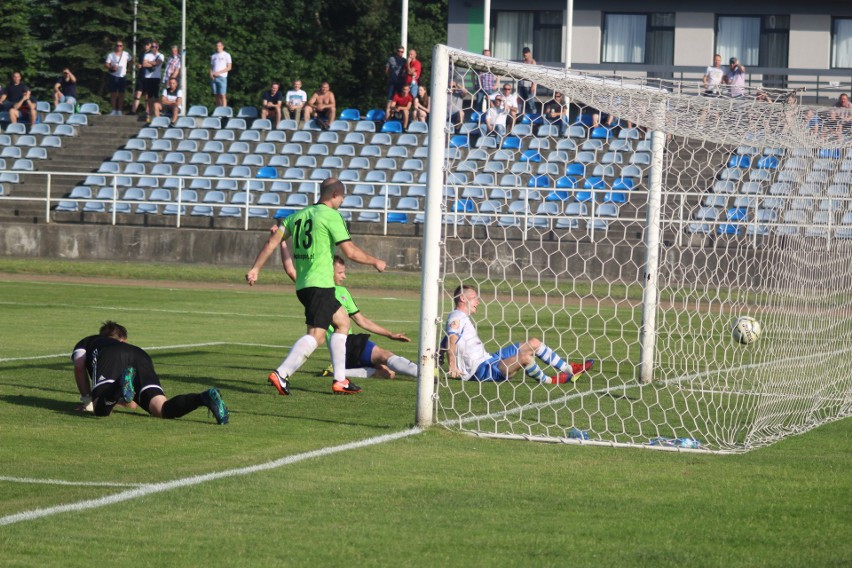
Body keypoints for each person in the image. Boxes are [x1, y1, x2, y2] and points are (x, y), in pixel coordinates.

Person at [245, 177, 387, 395]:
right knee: (317, 335)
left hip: (304, 285)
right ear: (334, 195)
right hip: (320, 284)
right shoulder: (331, 216)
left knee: (342, 322)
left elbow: (271, 242)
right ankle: (281, 373)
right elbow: (350, 251)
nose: (341, 202)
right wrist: (375, 261)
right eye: (342, 197)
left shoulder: (296, 216)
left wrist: (256, 268)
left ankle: (340, 380)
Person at [272, 240, 418, 381]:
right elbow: (291, 270)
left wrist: (389, 334)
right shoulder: (317, 292)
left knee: (387, 373)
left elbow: (361, 320)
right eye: (340, 272)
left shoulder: (340, 291)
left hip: (340, 351)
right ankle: (426, 374)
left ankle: (338, 372)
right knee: (385, 355)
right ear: (329, 271)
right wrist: (282, 241)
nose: (344, 276)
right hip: (348, 343)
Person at [72, 321, 229, 424]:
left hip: (111, 355)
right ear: (122, 339)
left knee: (100, 410)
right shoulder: (130, 347)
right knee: (162, 409)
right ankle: (203, 398)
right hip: (141, 355)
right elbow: (132, 404)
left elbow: (79, 366)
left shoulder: (89, 341)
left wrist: (88, 401)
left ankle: (119, 383)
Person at [445, 285, 594, 384]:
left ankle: (570, 369)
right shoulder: (456, 316)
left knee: (534, 343)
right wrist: (452, 365)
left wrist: (440, 354)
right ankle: (550, 380)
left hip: (490, 359)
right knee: (525, 359)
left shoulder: (461, 318)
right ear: (463, 298)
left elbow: (450, 337)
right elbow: (452, 339)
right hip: (481, 370)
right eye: (474, 298)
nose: (478, 302)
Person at [104, 40, 130, 116]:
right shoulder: (111, 55)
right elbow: (106, 64)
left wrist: (129, 69)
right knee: (113, 94)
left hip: (122, 76)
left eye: (120, 46)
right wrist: (111, 67)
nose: (118, 47)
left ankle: (120, 110)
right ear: (115, 46)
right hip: (113, 75)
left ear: (122, 47)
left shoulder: (126, 54)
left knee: (121, 94)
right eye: (117, 45)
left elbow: (131, 61)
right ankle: (113, 109)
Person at [142, 42, 165, 122]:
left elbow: (158, 63)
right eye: (152, 47)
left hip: (156, 77)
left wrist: (149, 62)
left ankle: (157, 111)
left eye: (155, 46)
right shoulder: (147, 55)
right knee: (149, 96)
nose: (153, 48)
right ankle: (149, 112)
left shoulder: (161, 55)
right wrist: (152, 63)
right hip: (148, 77)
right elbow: (144, 64)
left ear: (157, 47)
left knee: (156, 96)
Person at [131, 39, 152, 115]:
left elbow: (153, 65)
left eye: (147, 44)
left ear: (150, 45)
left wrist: (144, 64)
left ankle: (147, 110)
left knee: (147, 94)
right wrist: (138, 65)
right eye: (144, 44)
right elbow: (140, 64)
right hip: (141, 75)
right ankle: (133, 110)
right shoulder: (142, 53)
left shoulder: (152, 54)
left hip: (148, 76)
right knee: (137, 93)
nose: (145, 46)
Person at [385, 46, 407, 118]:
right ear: (396, 51)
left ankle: (399, 117)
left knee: (400, 100)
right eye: (399, 51)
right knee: (390, 100)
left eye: (402, 52)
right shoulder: (391, 59)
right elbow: (387, 69)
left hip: (400, 83)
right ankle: (387, 118)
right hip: (392, 82)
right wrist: (390, 77)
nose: (400, 53)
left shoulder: (404, 60)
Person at [210, 41, 232, 107]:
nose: (218, 47)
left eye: (219, 46)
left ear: (222, 46)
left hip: (222, 77)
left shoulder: (226, 55)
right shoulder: (213, 56)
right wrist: (211, 74)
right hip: (214, 78)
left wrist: (219, 73)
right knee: (216, 94)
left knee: (222, 94)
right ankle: (218, 109)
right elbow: (211, 66)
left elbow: (229, 67)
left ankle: (224, 110)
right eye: (217, 46)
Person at [518, 47, 537, 114]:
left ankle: (534, 115)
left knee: (530, 101)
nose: (525, 55)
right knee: (521, 101)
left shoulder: (532, 62)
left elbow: (535, 75)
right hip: (521, 84)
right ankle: (521, 115)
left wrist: (533, 85)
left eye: (526, 53)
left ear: (529, 53)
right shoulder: (523, 62)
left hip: (529, 85)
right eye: (524, 53)